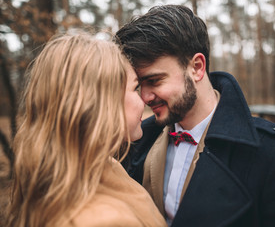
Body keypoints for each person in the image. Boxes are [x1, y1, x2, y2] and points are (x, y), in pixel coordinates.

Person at [115, 5, 275, 227]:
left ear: (197, 67)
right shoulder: (137, 141)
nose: (145, 97)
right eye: (139, 86)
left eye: (154, 81)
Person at [6, 31, 167, 227]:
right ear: (102, 103)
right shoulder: (104, 220)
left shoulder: (96, 169)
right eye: (134, 88)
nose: (144, 99)